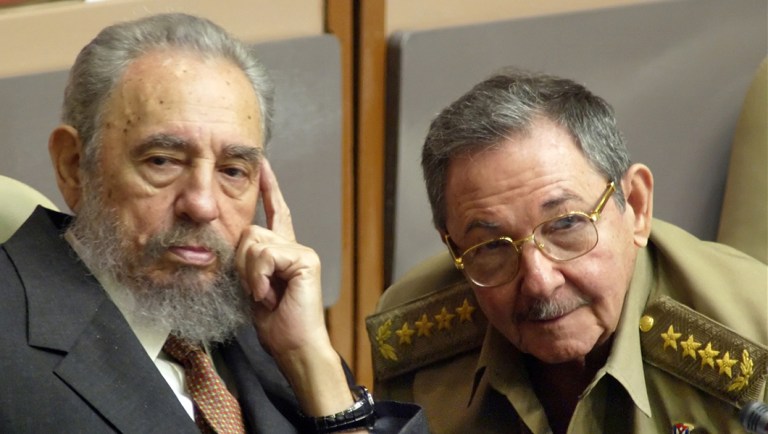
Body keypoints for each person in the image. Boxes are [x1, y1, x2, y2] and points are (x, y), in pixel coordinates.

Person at [0, 13, 427, 433]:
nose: (203, 205)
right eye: (162, 161)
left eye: (233, 170)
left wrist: (310, 359)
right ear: (75, 166)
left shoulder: (262, 320)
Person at [367, 69, 768, 433]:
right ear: (454, 247)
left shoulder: (755, 334)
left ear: (637, 206)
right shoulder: (414, 337)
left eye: (566, 224)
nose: (540, 282)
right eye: (491, 246)